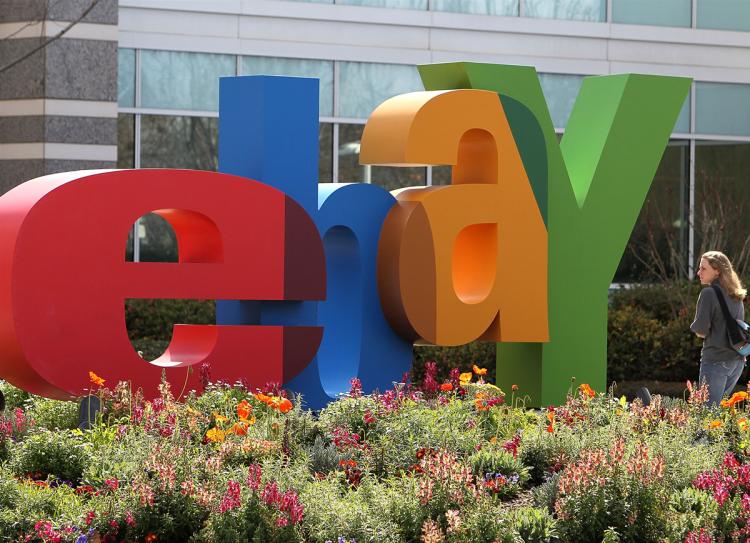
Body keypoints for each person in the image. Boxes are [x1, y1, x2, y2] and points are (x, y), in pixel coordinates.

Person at [690, 250, 747, 406]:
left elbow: (701, 330)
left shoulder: (708, 293)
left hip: (716, 361)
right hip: (737, 362)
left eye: (703, 268)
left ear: (717, 271)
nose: (698, 272)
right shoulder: (736, 294)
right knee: (717, 414)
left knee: (706, 414)